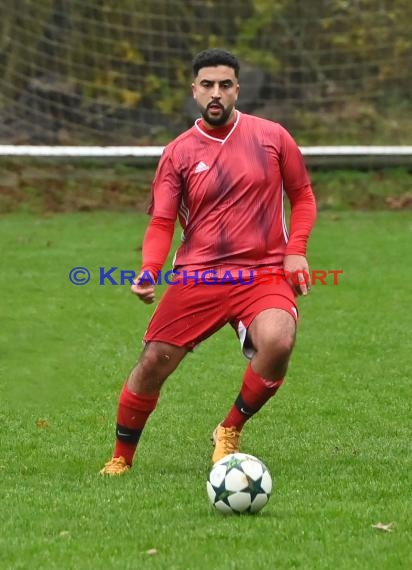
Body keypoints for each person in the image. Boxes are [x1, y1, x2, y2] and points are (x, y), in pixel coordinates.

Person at [100, 48, 317, 476]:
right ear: (194, 91)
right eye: (207, 85)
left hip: (263, 272)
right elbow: (162, 222)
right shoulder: (178, 153)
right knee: (151, 365)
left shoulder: (273, 136)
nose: (215, 93)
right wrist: (149, 269)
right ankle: (121, 458)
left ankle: (229, 429)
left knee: (279, 340)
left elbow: (303, 197)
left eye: (224, 85)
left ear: (237, 89)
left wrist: (297, 250)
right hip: (199, 275)